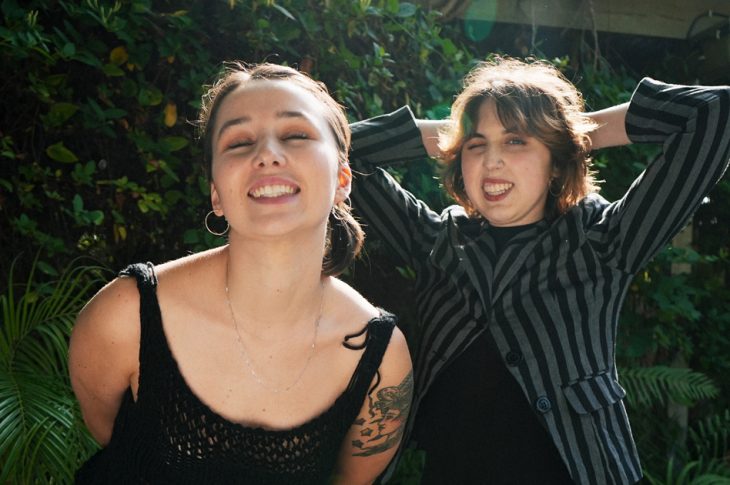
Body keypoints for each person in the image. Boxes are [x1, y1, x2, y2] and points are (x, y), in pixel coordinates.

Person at [349, 57, 730, 484]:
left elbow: (714, 114)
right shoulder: (432, 239)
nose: (492, 161)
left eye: (516, 141)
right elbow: (339, 151)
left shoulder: (604, 240)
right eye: (477, 146)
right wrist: (460, 132)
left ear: (556, 160)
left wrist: (574, 129)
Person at [68, 62, 413, 485]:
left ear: (343, 179)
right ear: (216, 191)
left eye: (296, 135)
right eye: (239, 141)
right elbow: (106, 432)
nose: (266, 153)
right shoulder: (126, 315)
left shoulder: (380, 360)